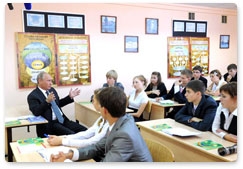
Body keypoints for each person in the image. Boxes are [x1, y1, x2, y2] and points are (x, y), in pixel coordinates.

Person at [50, 87, 153, 162]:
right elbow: (97, 147)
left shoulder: (124, 135)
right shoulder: (122, 120)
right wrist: (68, 155)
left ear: (104, 110)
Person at [27, 71, 87, 137]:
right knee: (72, 135)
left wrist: (69, 97)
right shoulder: (33, 96)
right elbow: (36, 112)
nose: (51, 83)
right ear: (40, 81)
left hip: (63, 120)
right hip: (50, 124)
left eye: (51, 81)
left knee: (85, 131)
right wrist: (47, 101)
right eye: (48, 81)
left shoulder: (52, 90)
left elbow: (58, 104)